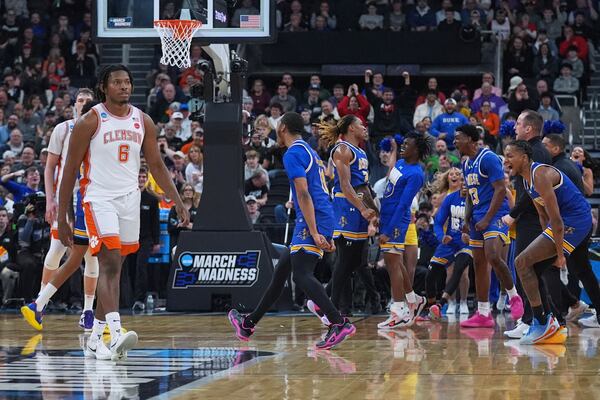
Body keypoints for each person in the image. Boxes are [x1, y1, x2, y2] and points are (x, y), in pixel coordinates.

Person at [56, 65, 189, 361]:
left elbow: (156, 165)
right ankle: (115, 335)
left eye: (127, 82)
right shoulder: (89, 121)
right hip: (98, 197)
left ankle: (94, 339)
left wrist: (178, 200)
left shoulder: (143, 120)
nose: (124, 87)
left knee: (116, 267)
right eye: (117, 82)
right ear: (104, 86)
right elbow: (68, 172)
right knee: (111, 262)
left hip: (130, 199)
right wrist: (61, 217)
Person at [228, 112, 355, 350]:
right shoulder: (308, 151)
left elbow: (304, 193)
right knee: (282, 272)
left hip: (312, 218)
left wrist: (315, 231)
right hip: (318, 215)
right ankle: (248, 323)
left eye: (277, 126)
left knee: (301, 274)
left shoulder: (294, 152)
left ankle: (338, 323)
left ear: (283, 127)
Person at [20, 89, 100, 332]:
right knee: (56, 250)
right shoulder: (63, 129)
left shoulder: (98, 130)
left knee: (90, 256)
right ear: (74, 105)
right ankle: (40, 304)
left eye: (88, 101)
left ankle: (87, 310)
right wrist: (52, 198)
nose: (84, 104)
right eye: (80, 100)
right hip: (67, 199)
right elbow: (49, 167)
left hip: (90, 197)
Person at [503, 140, 591, 344]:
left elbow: (557, 220)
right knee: (528, 266)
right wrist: (545, 238)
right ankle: (545, 321)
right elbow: (543, 216)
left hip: (576, 220)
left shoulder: (540, 175)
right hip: (562, 222)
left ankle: (543, 321)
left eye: (510, 156)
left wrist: (560, 256)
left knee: (521, 262)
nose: (506, 160)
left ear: (524, 158)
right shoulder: (526, 180)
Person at [454, 124, 524, 328]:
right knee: (479, 264)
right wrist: (467, 221)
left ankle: (513, 296)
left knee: (493, 256)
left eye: (458, 138)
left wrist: (487, 218)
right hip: (477, 217)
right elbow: (470, 196)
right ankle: (483, 313)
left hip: (497, 215)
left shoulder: (489, 158)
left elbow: (501, 190)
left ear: (470, 139)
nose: (455, 142)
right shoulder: (466, 164)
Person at [313, 115, 378, 317]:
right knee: (344, 260)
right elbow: (345, 185)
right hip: (345, 206)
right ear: (351, 128)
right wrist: (362, 208)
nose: (365, 127)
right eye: (361, 124)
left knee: (356, 261)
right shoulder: (342, 150)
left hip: (357, 206)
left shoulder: (361, 152)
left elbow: (363, 187)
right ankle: (328, 307)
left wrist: (373, 209)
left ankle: (324, 301)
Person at [377, 133, 430, 329]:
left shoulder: (416, 174)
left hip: (397, 222)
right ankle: (413, 299)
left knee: (393, 265)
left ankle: (399, 309)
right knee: (395, 263)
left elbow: (403, 204)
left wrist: (388, 230)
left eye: (407, 144)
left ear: (415, 150)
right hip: (386, 216)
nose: (403, 146)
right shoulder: (399, 163)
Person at [428, 173, 473, 318]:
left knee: (463, 272)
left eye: (468, 184)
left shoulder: (476, 200)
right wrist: (442, 237)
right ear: (460, 183)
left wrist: (471, 234)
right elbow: (439, 222)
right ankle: (448, 303)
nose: (465, 186)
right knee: (437, 272)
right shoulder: (450, 198)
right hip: (449, 241)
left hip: (466, 242)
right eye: (464, 183)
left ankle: (464, 301)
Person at [132, 167, 161, 311]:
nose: (141, 179)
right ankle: (127, 299)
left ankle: (139, 299)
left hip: (146, 239)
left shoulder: (152, 199)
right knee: (129, 268)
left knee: (141, 268)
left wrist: (156, 241)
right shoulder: (128, 196)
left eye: (144, 177)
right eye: (139, 177)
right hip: (129, 237)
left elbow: (155, 222)